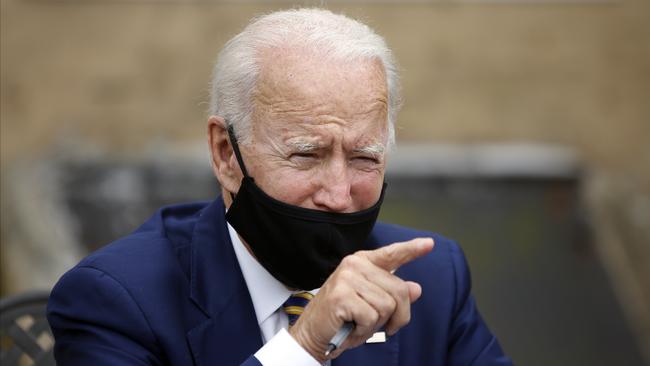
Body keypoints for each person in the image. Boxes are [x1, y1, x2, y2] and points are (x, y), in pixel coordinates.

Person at [47, 8, 512, 366]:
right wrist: (303, 346)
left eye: (364, 158)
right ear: (227, 154)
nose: (337, 193)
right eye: (306, 155)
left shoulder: (431, 280)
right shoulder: (117, 300)